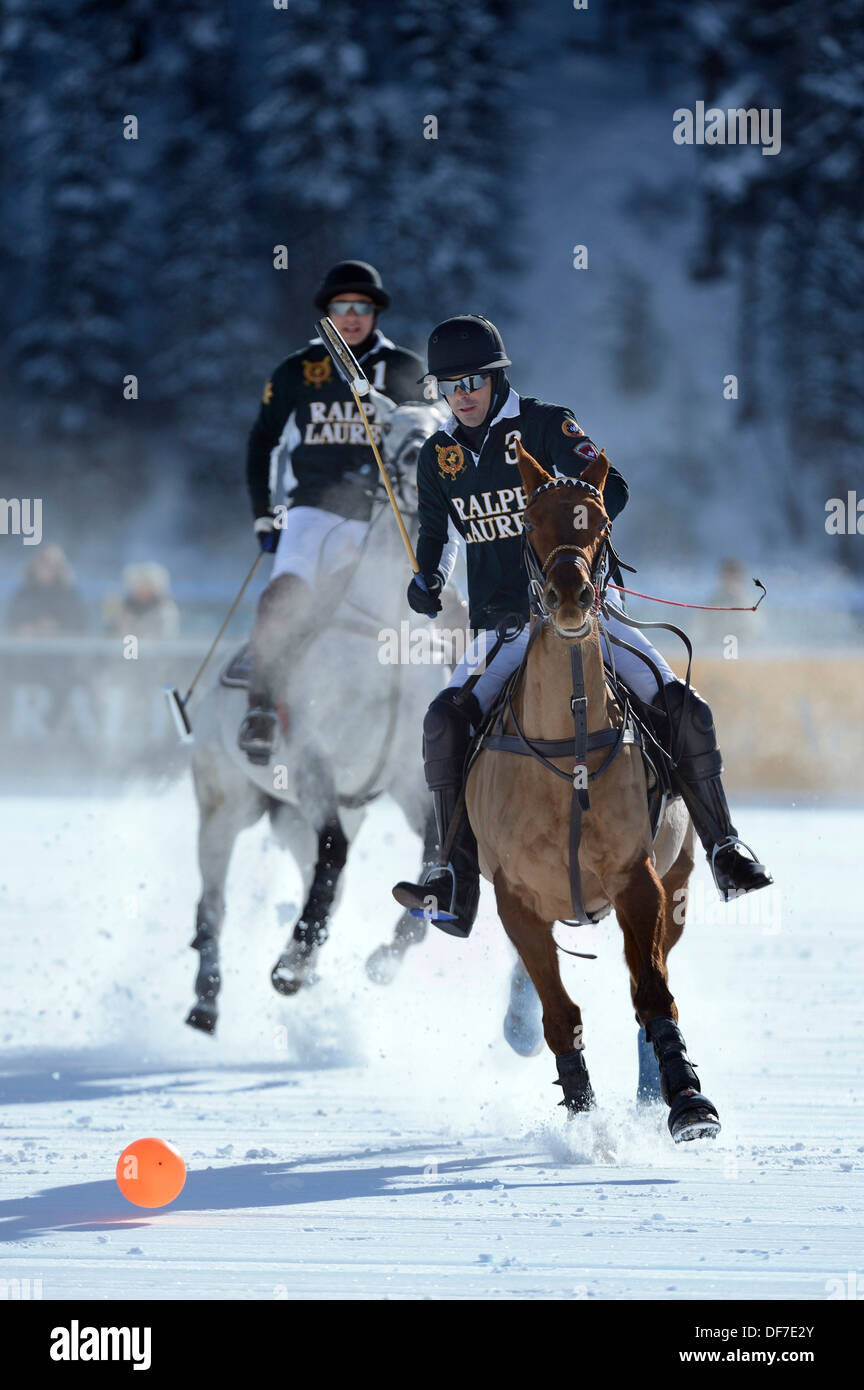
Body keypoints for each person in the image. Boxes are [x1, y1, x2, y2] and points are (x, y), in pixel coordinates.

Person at [392, 315, 772, 937]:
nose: (461, 394)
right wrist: (428, 578)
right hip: (505, 628)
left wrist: (559, 511)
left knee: (683, 706)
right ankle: (453, 879)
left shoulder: (547, 424)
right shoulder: (439, 456)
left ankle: (724, 846)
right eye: (449, 384)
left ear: (496, 377)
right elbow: (435, 535)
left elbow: (612, 489)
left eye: (473, 381)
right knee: (444, 723)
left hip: (584, 615)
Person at [239, 259, 424, 763]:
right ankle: (260, 706)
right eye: (342, 307)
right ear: (328, 311)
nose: (352, 317)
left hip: (382, 515)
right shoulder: (298, 371)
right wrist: (264, 513)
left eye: (361, 307)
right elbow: (263, 442)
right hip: (311, 511)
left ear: (374, 312)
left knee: (434, 600)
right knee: (285, 594)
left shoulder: (405, 368)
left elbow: (434, 432)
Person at [5, 544, 89, 636]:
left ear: (59, 568)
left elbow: (80, 626)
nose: (44, 568)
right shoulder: (23, 594)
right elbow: (11, 622)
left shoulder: (70, 595)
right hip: (28, 647)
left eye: (49, 564)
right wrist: (26, 628)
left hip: (61, 647)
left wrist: (56, 629)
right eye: (41, 563)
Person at [103, 562, 180, 639]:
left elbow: (166, 637)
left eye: (147, 586)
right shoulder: (122, 607)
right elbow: (110, 636)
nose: (142, 590)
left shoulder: (165, 610)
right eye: (138, 586)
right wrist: (115, 621)